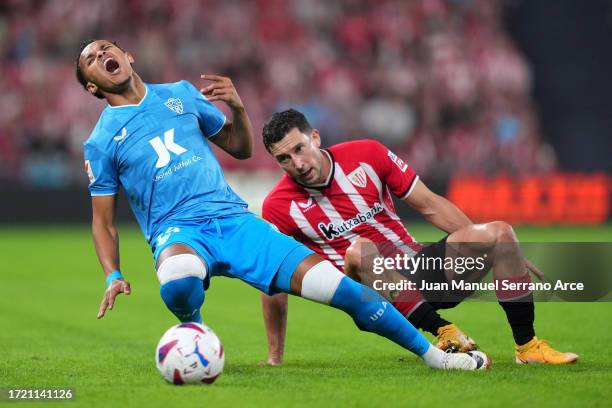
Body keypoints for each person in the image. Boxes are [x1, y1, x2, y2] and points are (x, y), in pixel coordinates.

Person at [76, 39, 485, 372]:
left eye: (105, 49)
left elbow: (239, 149)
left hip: (234, 222)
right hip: (178, 230)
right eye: (91, 60)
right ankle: (194, 330)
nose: (102, 57)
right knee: (179, 277)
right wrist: (113, 273)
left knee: (340, 289)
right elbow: (103, 222)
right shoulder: (100, 142)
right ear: (92, 86)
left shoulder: (181, 95)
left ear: (126, 55)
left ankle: (438, 358)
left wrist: (236, 107)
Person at [260, 109, 578, 365]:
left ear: (315, 137)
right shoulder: (278, 206)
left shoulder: (367, 154)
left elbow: (430, 205)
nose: (297, 164)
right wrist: (275, 356)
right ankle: (444, 331)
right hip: (371, 296)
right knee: (360, 250)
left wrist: (492, 246)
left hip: (420, 269)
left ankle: (528, 348)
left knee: (500, 232)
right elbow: (273, 279)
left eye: (299, 149)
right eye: (284, 159)